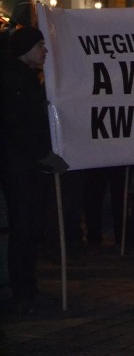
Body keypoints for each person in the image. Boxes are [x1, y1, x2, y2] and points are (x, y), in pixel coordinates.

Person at [1, 27, 69, 315]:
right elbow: (18, 127)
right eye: (40, 45)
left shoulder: (27, 79)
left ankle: (29, 287)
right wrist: (43, 154)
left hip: (29, 167)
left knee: (30, 229)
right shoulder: (12, 80)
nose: (45, 51)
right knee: (24, 228)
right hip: (18, 168)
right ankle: (22, 292)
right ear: (25, 49)